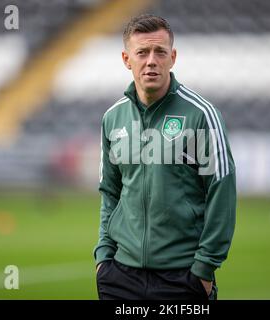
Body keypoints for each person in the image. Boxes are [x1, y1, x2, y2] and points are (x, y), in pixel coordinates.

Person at [94, 14, 236, 300]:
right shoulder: (113, 118)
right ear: (126, 59)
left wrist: (204, 269)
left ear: (172, 57)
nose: (151, 61)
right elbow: (110, 192)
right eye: (142, 52)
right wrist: (103, 256)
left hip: (182, 278)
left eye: (160, 52)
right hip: (120, 276)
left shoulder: (201, 115)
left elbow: (222, 192)